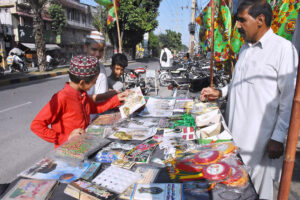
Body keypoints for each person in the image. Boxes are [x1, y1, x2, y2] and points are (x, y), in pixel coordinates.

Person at [200, 0, 298, 199]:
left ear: (260, 20)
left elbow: (289, 99)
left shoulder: (283, 49)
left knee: (257, 194)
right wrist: (220, 92)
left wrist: (278, 138)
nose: (237, 26)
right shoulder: (245, 49)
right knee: (234, 191)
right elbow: (239, 82)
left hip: (259, 145)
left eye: (242, 20)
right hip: (234, 140)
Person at [30, 55, 128, 148]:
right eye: (94, 81)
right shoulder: (61, 98)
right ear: (82, 83)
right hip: (67, 149)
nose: (95, 83)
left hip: (83, 145)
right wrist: (66, 138)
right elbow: (36, 125)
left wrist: (116, 99)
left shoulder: (82, 94)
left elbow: (96, 108)